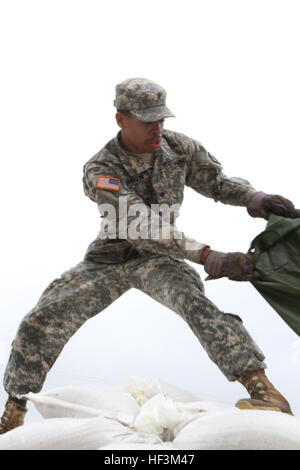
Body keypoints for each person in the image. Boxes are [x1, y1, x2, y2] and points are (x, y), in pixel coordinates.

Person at [0, 78, 296, 434]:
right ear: (121, 119)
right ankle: (14, 412)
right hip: (108, 260)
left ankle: (263, 390)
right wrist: (207, 255)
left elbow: (216, 182)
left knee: (195, 303)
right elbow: (141, 224)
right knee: (39, 320)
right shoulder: (101, 170)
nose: (157, 128)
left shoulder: (179, 148)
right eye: (147, 120)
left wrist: (254, 198)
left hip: (159, 260)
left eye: (161, 119)